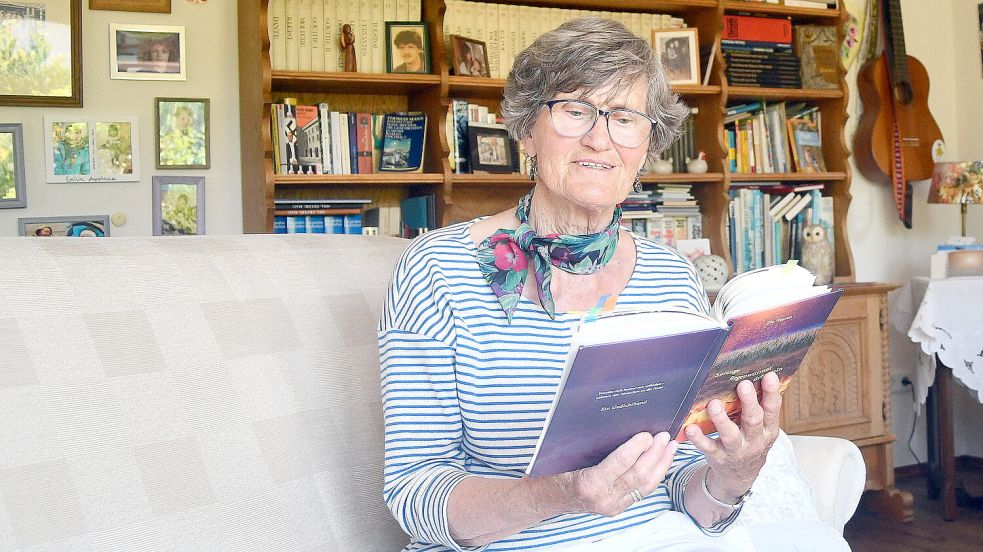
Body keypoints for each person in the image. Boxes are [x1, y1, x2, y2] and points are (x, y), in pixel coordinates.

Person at [379, 17, 850, 552]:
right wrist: (562, 494)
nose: (600, 139)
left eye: (625, 118)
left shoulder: (672, 276)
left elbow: (686, 488)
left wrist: (735, 473)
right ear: (526, 128)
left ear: (648, 143)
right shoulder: (437, 269)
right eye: (575, 111)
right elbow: (414, 494)